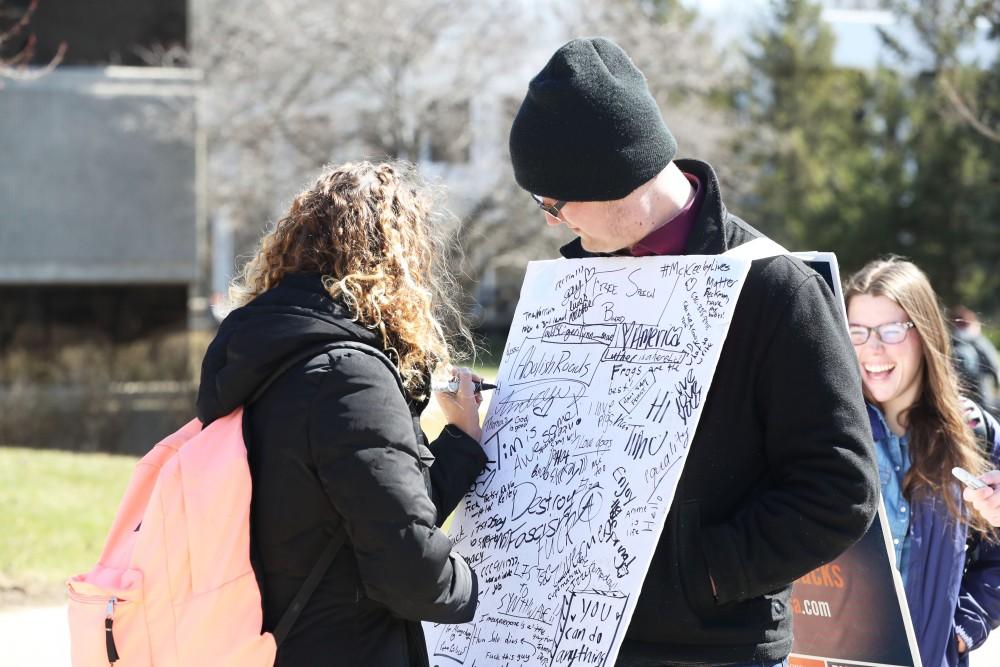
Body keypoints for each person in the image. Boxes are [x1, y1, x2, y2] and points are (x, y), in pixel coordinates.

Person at [507, 37, 879, 667]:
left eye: (553, 200)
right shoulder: (573, 287)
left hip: (713, 646)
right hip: (570, 636)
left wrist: (698, 578)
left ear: (614, 175)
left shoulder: (775, 288)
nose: (551, 220)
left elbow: (839, 488)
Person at [195, 161, 488, 666]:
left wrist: (460, 443)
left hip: (263, 644)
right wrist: (491, 587)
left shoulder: (262, 358)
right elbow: (407, 571)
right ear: (397, 264)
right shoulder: (350, 378)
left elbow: (367, 522)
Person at [845, 257, 1000, 666]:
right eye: (857, 331)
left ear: (924, 332)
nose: (872, 348)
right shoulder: (824, 430)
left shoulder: (973, 431)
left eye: (892, 330)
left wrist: (964, 630)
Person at [951, 305, 1000, 415]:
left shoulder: (974, 342)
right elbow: (993, 363)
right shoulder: (976, 341)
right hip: (974, 390)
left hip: (972, 389)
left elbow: (992, 363)